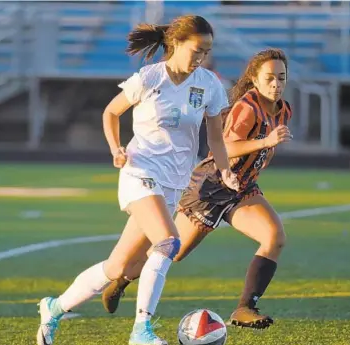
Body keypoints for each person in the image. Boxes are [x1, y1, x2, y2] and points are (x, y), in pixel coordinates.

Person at [36, 15, 239, 345]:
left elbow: (215, 137)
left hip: (174, 182)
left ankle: (53, 308)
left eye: (206, 52)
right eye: (196, 50)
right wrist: (116, 148)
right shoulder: (149, 77)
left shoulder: (209, 84)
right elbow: (110, 113)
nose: (201, 58)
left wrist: (226, 170)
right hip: (140, 170)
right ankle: (142, 327)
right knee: (168, 241)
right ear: (175, 44)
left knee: (119, 266)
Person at [102, 48, 293, 330]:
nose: (276, 84)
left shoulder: (283, 110)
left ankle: (244, 307)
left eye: (281, 77)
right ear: (254, 78)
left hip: (241, 188)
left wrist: (259, 160)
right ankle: (121, 279)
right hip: (211, 186)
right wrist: (265, 143)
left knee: (275, 237)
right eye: (269, 78)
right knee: (172, 252)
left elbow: (262, 151)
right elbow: (226, 148)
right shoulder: (246, 107)